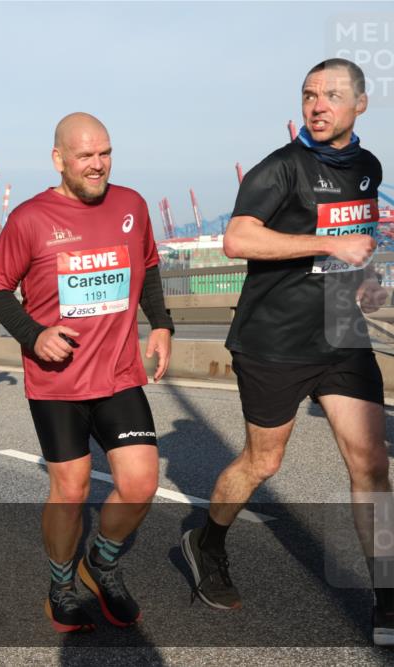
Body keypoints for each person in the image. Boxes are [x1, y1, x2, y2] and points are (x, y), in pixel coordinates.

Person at [179, 59, 393, 644]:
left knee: (371, 464)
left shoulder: (368, 169)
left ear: (361, 104)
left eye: (331, 95)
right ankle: (207, 540)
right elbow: (236, 238)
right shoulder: (281, 169)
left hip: (342, 335)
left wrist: (365, 281)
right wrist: (329, 241)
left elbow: (354, 245)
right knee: (263, 463)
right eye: (308, 95)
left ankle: (388, 598)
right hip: (275, 341)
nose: (318, 105)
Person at [0, 112, 173, 632]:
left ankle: (102, 564)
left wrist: (161, 324)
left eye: (105, 153)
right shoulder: (30, 218)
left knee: (140, 483)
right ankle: (61, 583)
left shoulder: (131, 204)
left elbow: (149, 265)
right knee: (71, 489)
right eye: (85, 155)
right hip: (58, 381)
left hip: (117, 373)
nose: (97, 165)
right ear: (59, 158)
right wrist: (33, 334)